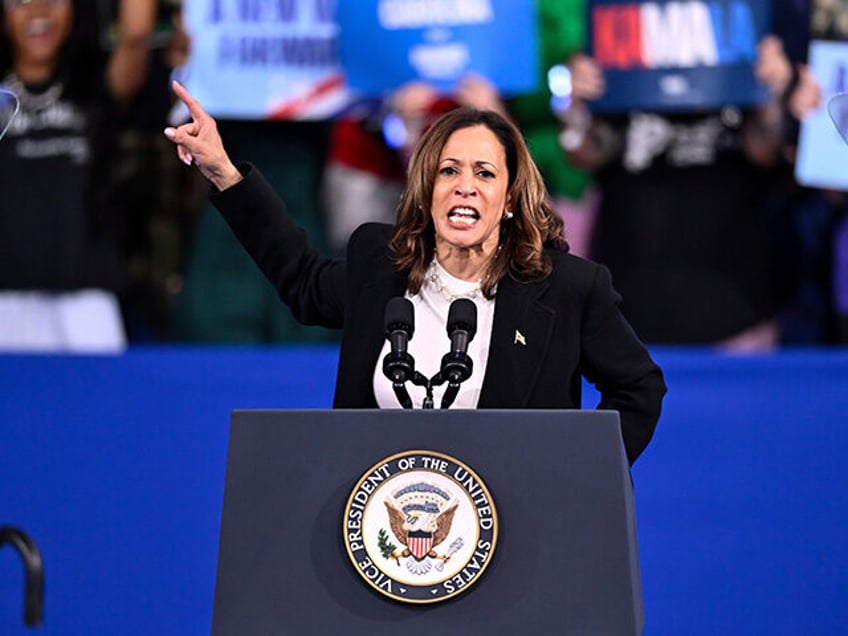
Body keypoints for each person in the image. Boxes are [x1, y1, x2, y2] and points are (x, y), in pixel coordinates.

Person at [164, 82, 667, 464]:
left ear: (510, 199)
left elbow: (639, 387)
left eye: (484, 173)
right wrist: (225, 173)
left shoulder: (566, 287)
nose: (464, 186)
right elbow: (298, 277)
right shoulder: (379, 265)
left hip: (518, 540)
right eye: (449, 171)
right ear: (427, 190)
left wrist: (577, 470)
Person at [558, 35, 822, 350]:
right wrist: (573, 107)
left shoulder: (744, 24)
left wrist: (773, 96)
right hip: (629, 312)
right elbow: (588, 153)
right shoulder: (623, 23)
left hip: (737, 311)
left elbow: (765, 151)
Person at [0, 0, 157, 351]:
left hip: (87, 305)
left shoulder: (95, 87)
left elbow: (135, 34)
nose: (38, 11)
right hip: (3, 301)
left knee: (103, 407)